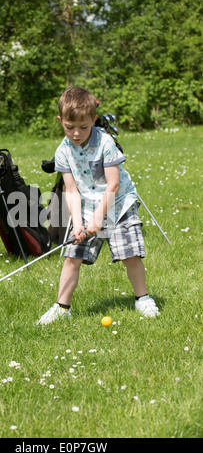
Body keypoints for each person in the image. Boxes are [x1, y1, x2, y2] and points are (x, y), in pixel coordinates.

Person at [36, 87, 159, 325]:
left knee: (130, 254)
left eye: (83, 127)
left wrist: (98, 219)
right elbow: (71, 190)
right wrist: (80, 224)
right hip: (88, 207)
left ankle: (142, 299)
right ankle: (62, 308)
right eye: (69, 127)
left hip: (119, 205)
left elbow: (112, 185)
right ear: (60, 121)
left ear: (94, 119)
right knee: (72, 257)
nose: (76, 133)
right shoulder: (62, 151)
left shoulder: (106, 143)